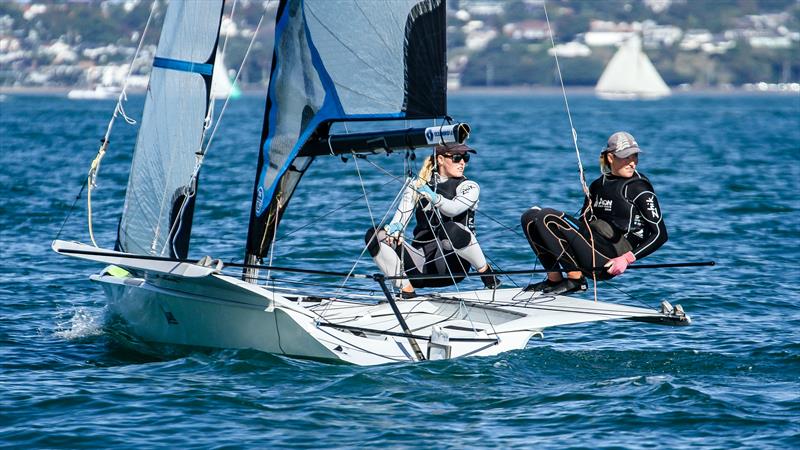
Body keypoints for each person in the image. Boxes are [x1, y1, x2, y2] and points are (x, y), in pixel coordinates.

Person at [520, 131, 668, 294]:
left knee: (547, 216)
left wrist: (627, 258)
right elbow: (585, 224)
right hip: (592, 245)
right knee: (531, 217)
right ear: (611, 158)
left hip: (609, 258)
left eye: (635, 157)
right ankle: (554, 280)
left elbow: (660, 234)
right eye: (626, 157)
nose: (632, 163)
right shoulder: (597, 185)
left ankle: (576, 280)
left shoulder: (639, 187)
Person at [365, 143, 499, 298]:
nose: (463, 162)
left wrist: (434, 197)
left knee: (450, 229)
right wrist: (396, 228)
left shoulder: (469, 187)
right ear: (440, 159)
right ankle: (407, 292)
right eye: (457, 157)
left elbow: (453, 208)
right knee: (375, 235)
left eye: (465, 157)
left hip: (452, 268)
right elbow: (400, 217)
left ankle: (489, 277)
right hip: (420, 267)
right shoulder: (418, 185)